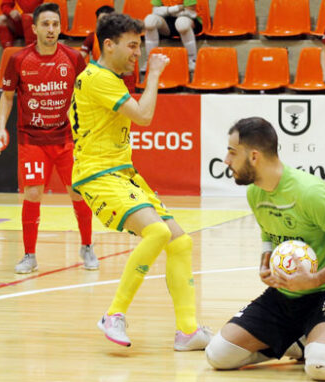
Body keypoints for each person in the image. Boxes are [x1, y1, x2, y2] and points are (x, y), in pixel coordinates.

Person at [69, 12, 211, 351]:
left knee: (180, 242)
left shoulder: (109, 78)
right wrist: (156, 74)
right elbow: (144, 116)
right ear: (109, 44)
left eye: (138, 46)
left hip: (122, 172)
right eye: (132, 46)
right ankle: (113, 314)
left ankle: (188, 331)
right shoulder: (98, 78)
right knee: (159, 232)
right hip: (98, 175)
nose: (138, 52)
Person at [206, 117, 325, 381]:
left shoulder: (310, 192)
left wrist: (315, 279)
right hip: (285, 294)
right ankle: (297, 340)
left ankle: (311, 341)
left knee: (323, 368)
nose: (226, 160)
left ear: (255, 156)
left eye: (232, 152)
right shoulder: (256, 193)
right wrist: (265, 261)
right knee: (218, 355)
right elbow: (268, 233)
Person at [0, 3, 97, 274]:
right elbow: (6, 96)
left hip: (66, 139)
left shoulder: (74, 58)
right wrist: (1, 127)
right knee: (33, 193)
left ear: (60, 28)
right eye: (45, 25)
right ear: (35, 28)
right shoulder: (19, 59)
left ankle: (87, 246)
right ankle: (29, 255)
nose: (51, 30)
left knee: (77, 192)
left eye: (55, 25)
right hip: (31, 139)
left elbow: (85, 97)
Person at [79, 5, 136, 91]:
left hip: (118, 72)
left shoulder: (122, 36)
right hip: (99, 74)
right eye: (100, 21)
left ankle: (130, 95)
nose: (102, 25)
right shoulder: (92, 37)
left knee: (127, 66)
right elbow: (80, 56)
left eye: (105, 22)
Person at [143, 0, 202, 71]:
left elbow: (190, 13)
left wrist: (164, 11)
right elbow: (155, 11)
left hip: (188, 21)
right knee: (149, 20)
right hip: (167, 23)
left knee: (182, 23)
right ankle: (150, 60)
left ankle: (192, 60)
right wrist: (176, 8)